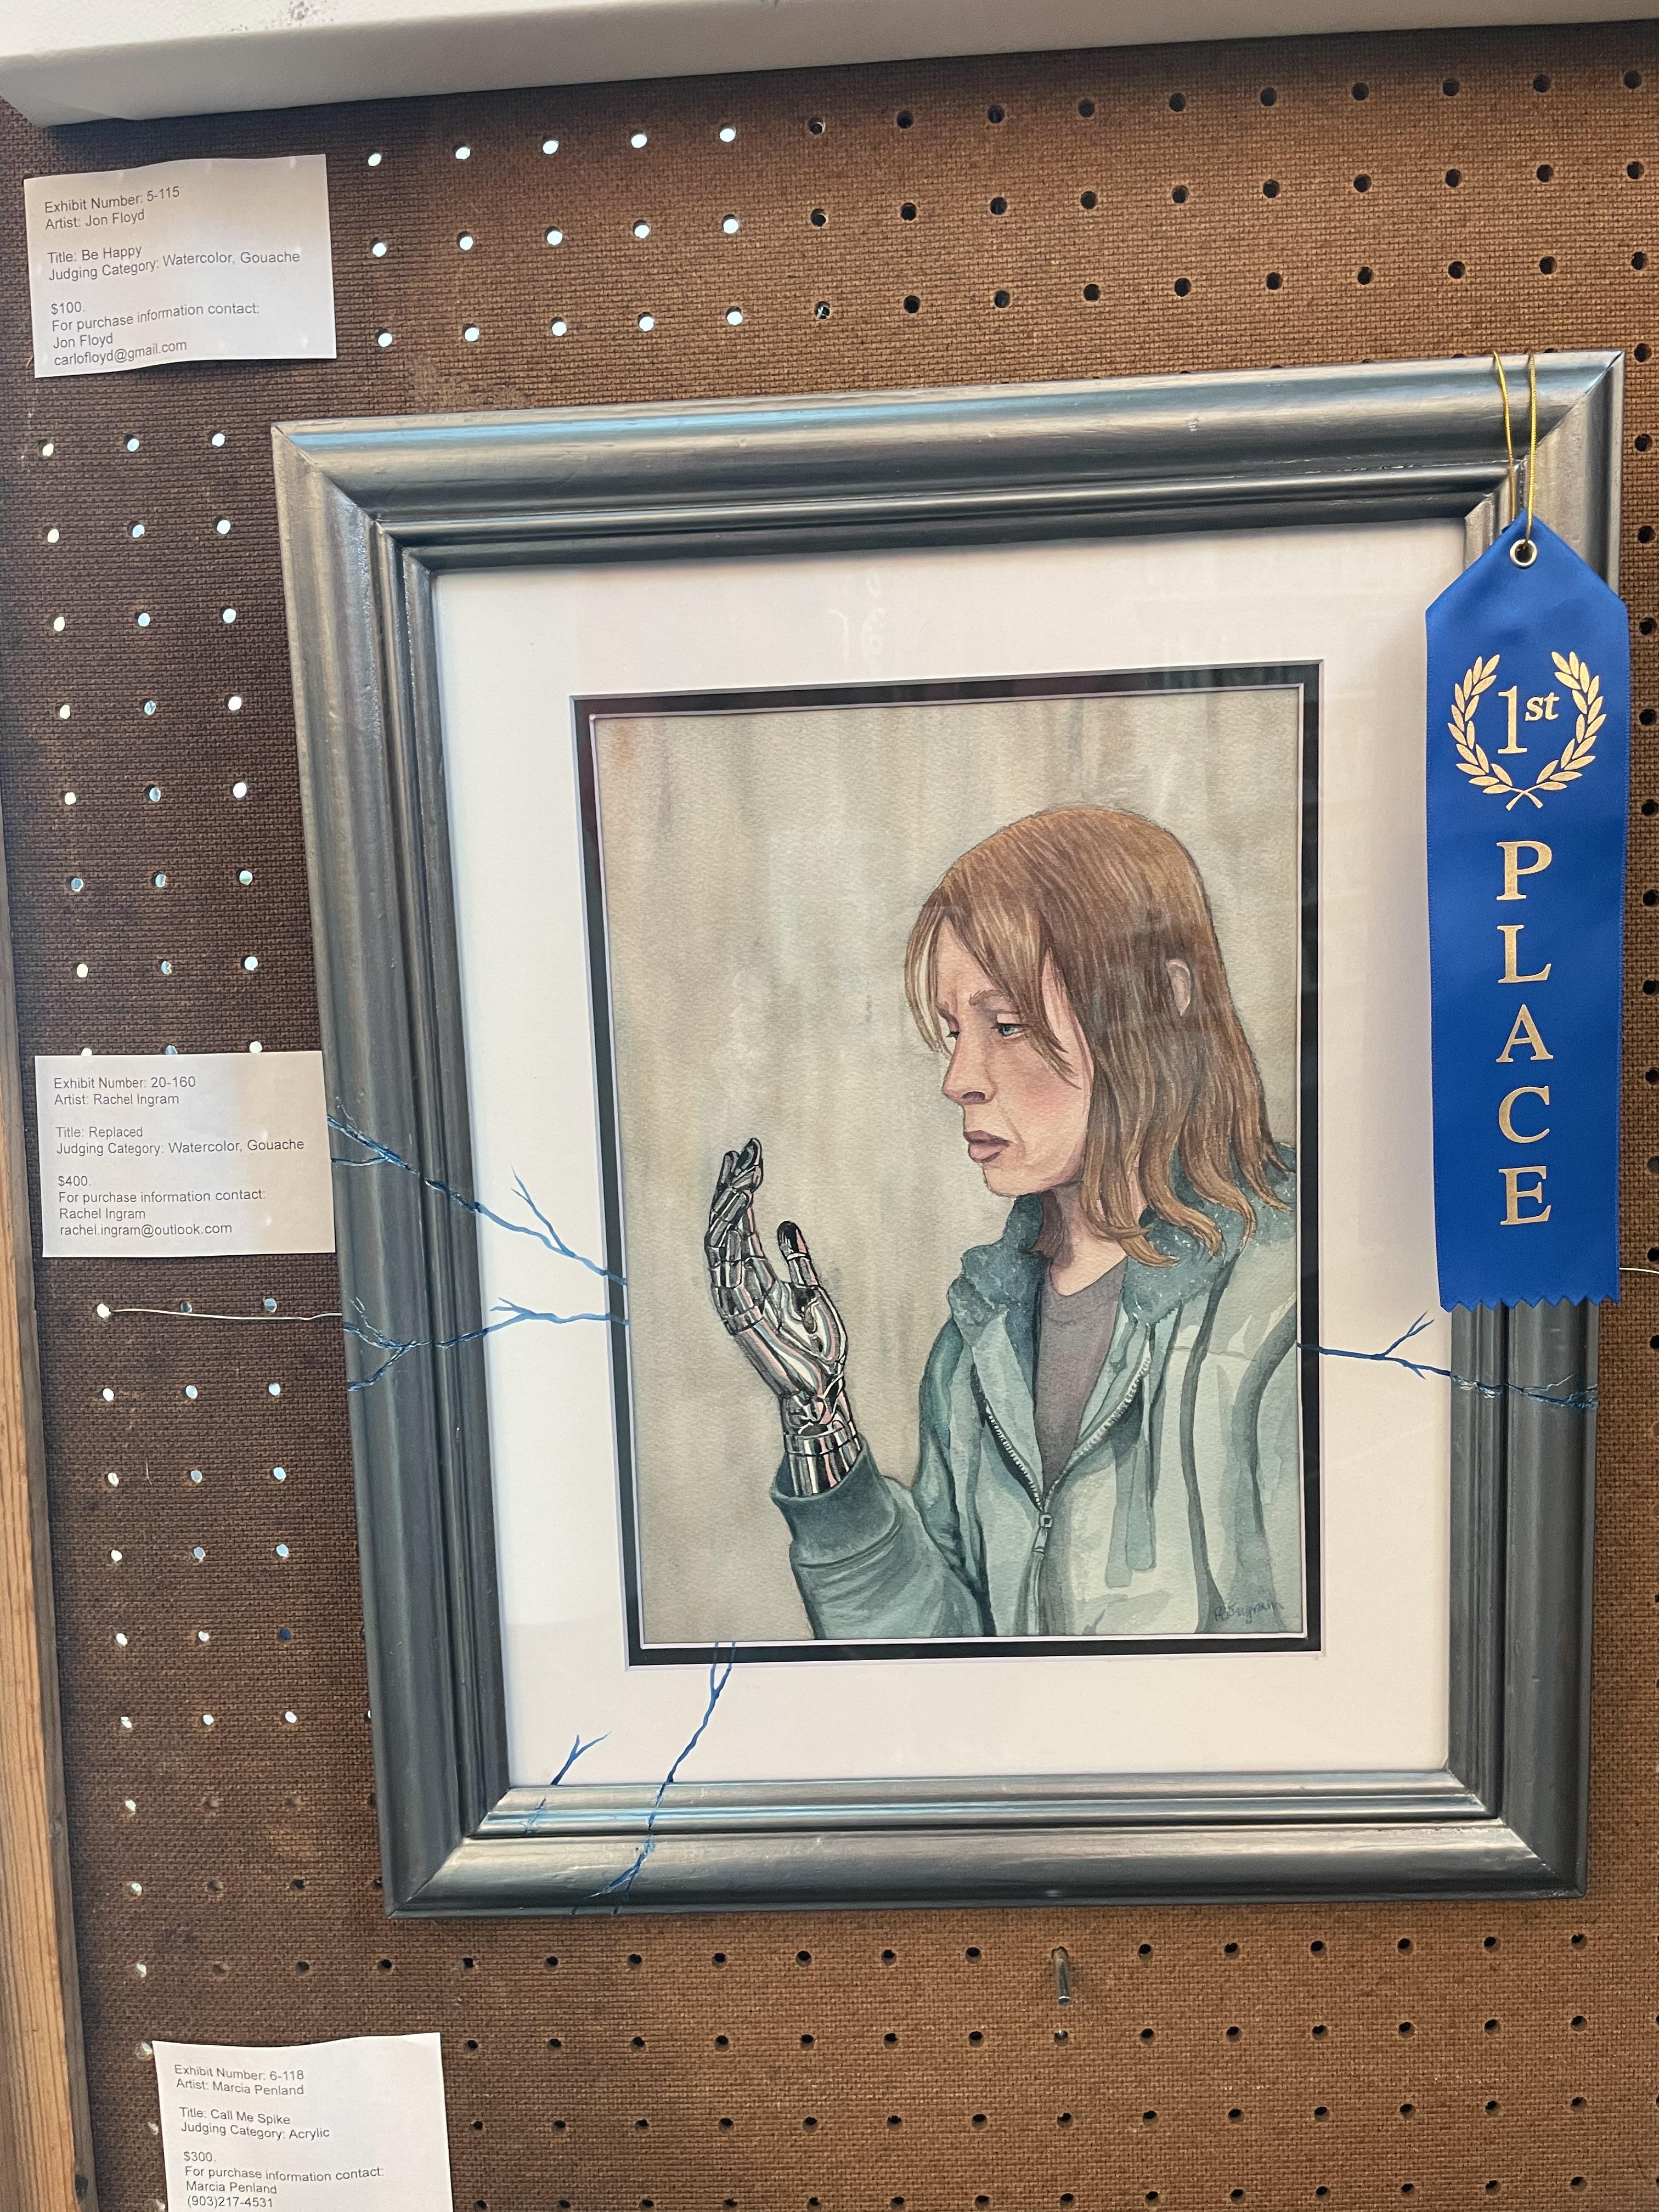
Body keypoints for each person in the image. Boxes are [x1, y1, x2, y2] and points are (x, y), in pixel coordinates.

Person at [703, 805, 1300, 1640]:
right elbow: (938, 1667)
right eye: (956, 1032)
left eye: (1007, 1025)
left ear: (1164, 1005)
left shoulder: (1291, 1304)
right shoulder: (975, 1344)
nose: (959, 1079)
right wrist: (820, 1420)